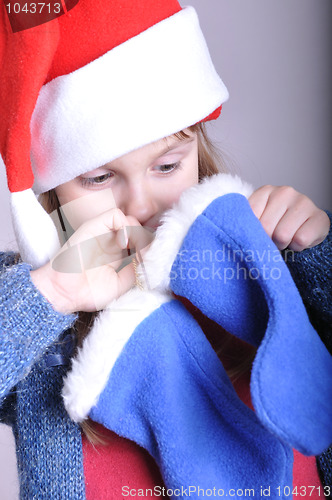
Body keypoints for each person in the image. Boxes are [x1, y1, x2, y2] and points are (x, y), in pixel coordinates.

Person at [0, 0, 331, 499]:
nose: (141, 205)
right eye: (100, 177)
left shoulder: (266, 259)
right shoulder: (33, 308)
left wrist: (316, 259)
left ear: (197, 154)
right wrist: (50, 292)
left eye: (167, 166)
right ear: (52, 195)